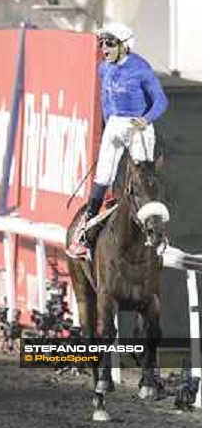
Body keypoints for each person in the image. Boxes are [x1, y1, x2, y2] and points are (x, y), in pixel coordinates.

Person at [66, 22, 168, 259]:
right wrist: (109, 124)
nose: (104, 48)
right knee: (103, 175)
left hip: (138, 126)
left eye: (110, 43)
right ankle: (86, 225)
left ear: (125, 46)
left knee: (143, 176)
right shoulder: (104, 68)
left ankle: (156, 229)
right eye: (102, 43)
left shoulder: (141, 69)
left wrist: (146, 119)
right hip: (115, 124)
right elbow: (105, 99)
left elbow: (161, 101)